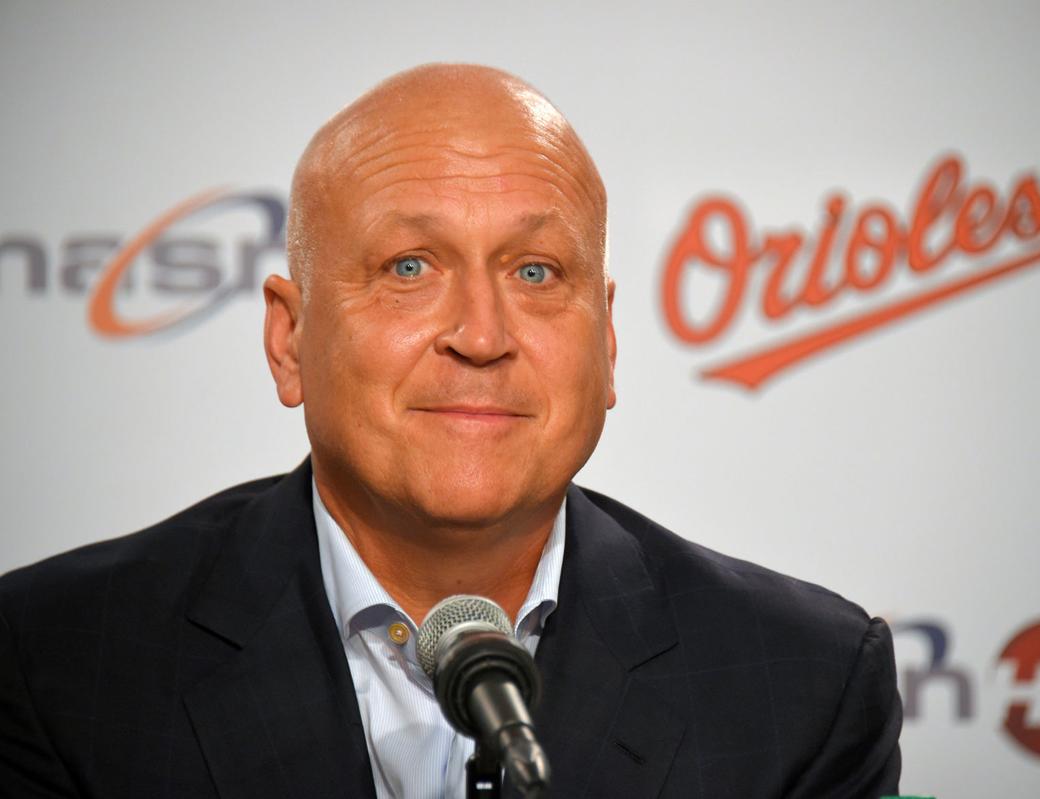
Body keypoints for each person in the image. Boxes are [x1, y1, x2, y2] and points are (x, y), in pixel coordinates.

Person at [0, 64, 901, 798]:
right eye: (408, 265)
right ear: (288, 341)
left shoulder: (804, 685)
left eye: (539, 271)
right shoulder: (54, 664)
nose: (481, 334)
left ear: (610, 343)